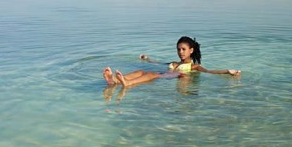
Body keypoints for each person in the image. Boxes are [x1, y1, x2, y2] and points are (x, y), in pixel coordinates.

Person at [103, 36, 241, 87]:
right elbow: (159, 64)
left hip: (177, 77)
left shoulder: (194, 66)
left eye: (183, 49)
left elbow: (210, 72)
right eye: (178, 49)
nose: (180, 52)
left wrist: (228, 71)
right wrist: (148, 59)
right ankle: (114, 80)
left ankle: (127, 83)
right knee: (141, 71)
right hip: (165, 73)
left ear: (191, 50)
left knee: (152, 74)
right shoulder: (175, 63)